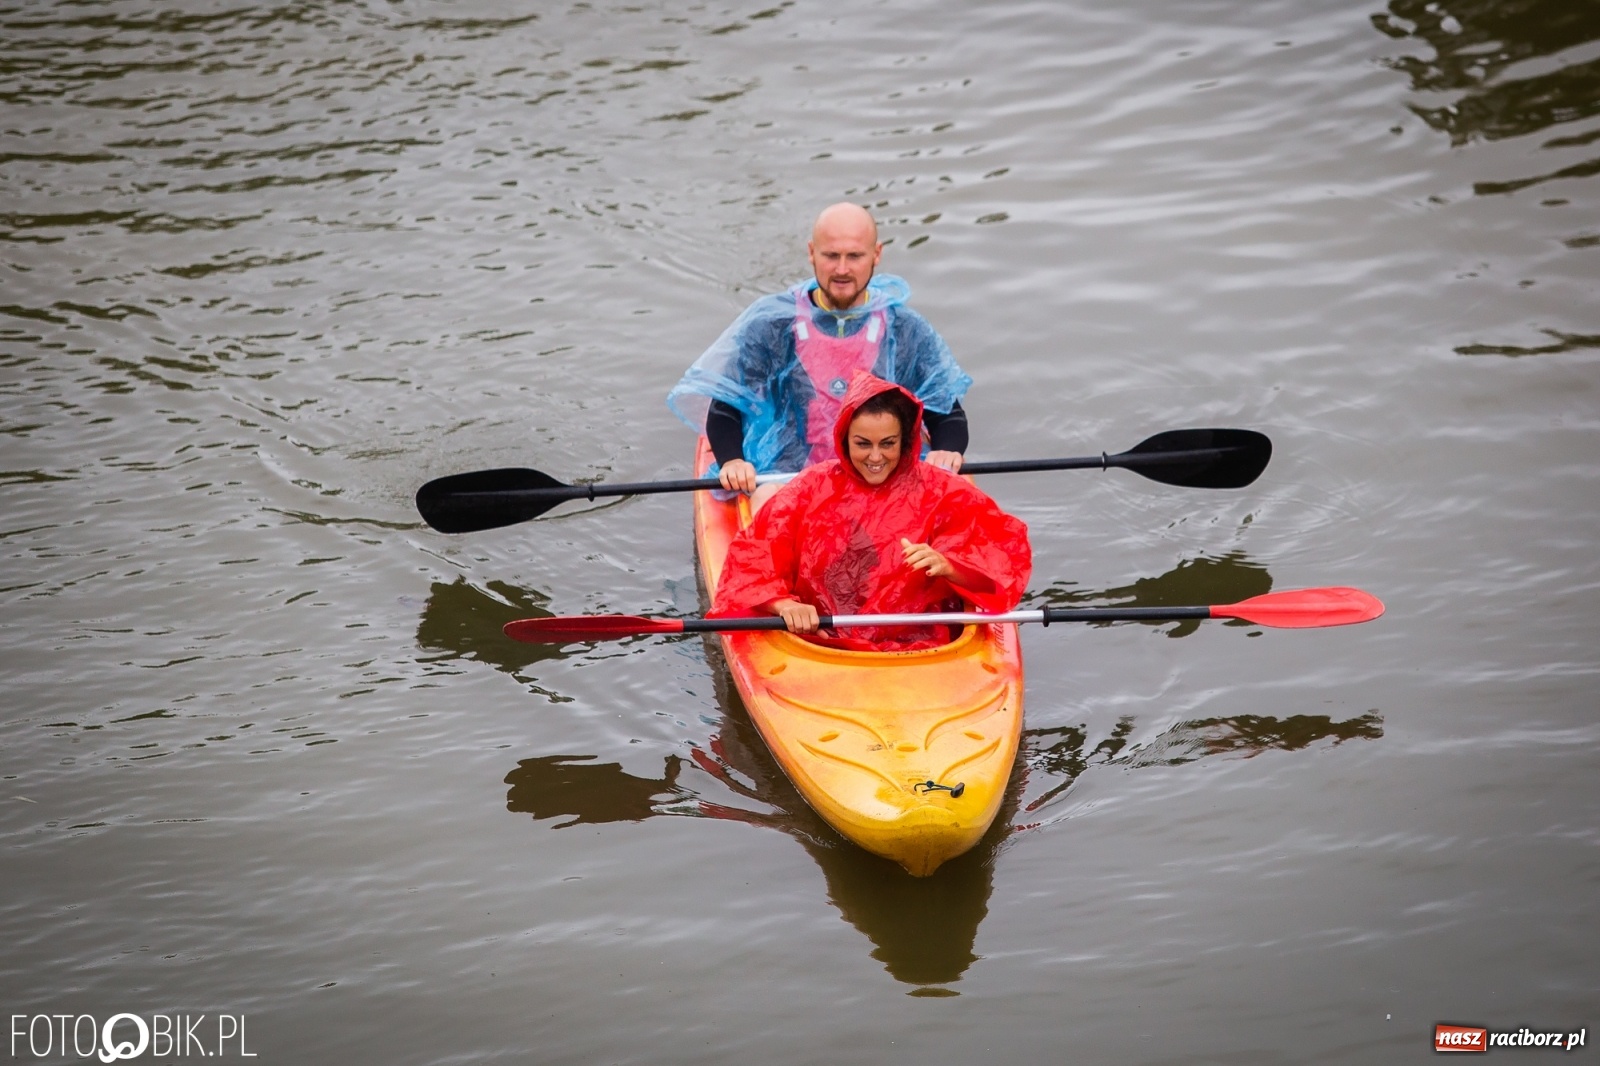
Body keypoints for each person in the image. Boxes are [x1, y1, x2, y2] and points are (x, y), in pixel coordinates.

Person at [668, 202, 973, 512]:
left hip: (881, 475)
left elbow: (947, 413)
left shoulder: (906, 329)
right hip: (789, 479)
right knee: (767, 501)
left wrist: (947, 451)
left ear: (876, 254)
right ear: (812, 253)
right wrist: (732, 460)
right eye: (831, 256)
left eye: (854, 256)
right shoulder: (772, 324)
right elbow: (725, 408)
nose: (842, 269)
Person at [709, 373, 1030, 652]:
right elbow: (751, 562)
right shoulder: (810, 487)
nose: (875, 457)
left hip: (922, 642)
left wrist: (949, 566)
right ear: (844, 440)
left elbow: (1001, 566)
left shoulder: (944, 491)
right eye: (863, 443)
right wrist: (785, 605)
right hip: (823, 637)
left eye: (887, 443)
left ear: (905, 442)